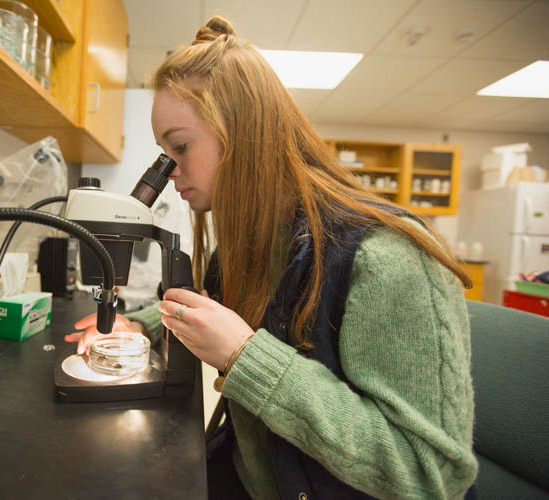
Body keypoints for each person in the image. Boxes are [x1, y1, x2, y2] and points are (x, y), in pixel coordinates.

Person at [66, 15, 477, 500]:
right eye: (163, 152)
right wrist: (138, 324)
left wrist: (244, 356)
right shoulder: (252, 243)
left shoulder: (388, 257)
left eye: (179, 146)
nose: (168, 172)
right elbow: (211, 306)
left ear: (244, 134)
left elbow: (429, 474)